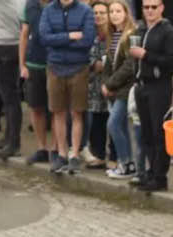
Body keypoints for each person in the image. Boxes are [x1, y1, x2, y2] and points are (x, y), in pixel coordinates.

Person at [39, 0, 96, 175]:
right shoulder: (48, 10)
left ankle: (75, 155)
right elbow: (44, 38)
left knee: (77, 112)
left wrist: (58, 40)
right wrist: (70, 36)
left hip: (79, 67)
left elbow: (87, 40)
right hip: (55, 66)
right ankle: (62, 154)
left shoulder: (85, 10)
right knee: (58, 112)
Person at [129, 0, 173, 192]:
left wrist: (145, 55)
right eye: (146, 7)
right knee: (146, 133)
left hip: (159, 86)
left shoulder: (168, 31)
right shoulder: (140, 29)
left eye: (153, 7)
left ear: (161, 8)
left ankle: (160, 177)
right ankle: (151, 172)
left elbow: (171, 61)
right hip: (142, 85)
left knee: (159, 133)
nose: (149, 10)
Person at [101, 0, 137, 176]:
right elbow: (108, 63)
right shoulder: (113, 34)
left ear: (126, 13)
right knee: (120, 126)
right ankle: (128, 164)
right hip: (115, 88)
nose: (114, 15)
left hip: (127, 88)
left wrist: (110, 83)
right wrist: (105, 83)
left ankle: (124, 162)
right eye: (112, 11)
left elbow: (130, 65)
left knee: (113, 124)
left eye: (118, 11)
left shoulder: (131, 35)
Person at [0, 0, 24, 157]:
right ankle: (9, 138)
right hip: (6, 41)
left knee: (10, 97)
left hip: (5, 43)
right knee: (8, 96)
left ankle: (14, 143)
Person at [21, 0, 53, 164]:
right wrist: (22, 64)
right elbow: (24, 34)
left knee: (57, 110)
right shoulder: (30, 4)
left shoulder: (61, 4)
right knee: (36, 107)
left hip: (55, 64)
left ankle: (57, 149)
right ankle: (42, 148)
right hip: (33, 64)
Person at [82, 1, 111, 170]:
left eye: (102, 13)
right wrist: (95, 64)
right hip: (92, 84)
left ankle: (115, 158)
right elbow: (86, 58)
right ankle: (98, 155)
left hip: (111, 84)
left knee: (111, 121)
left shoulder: (114, 34)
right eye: (95, 13)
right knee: (95, 121)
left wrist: (100, 64)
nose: (98, 16)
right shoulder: (88, 33)